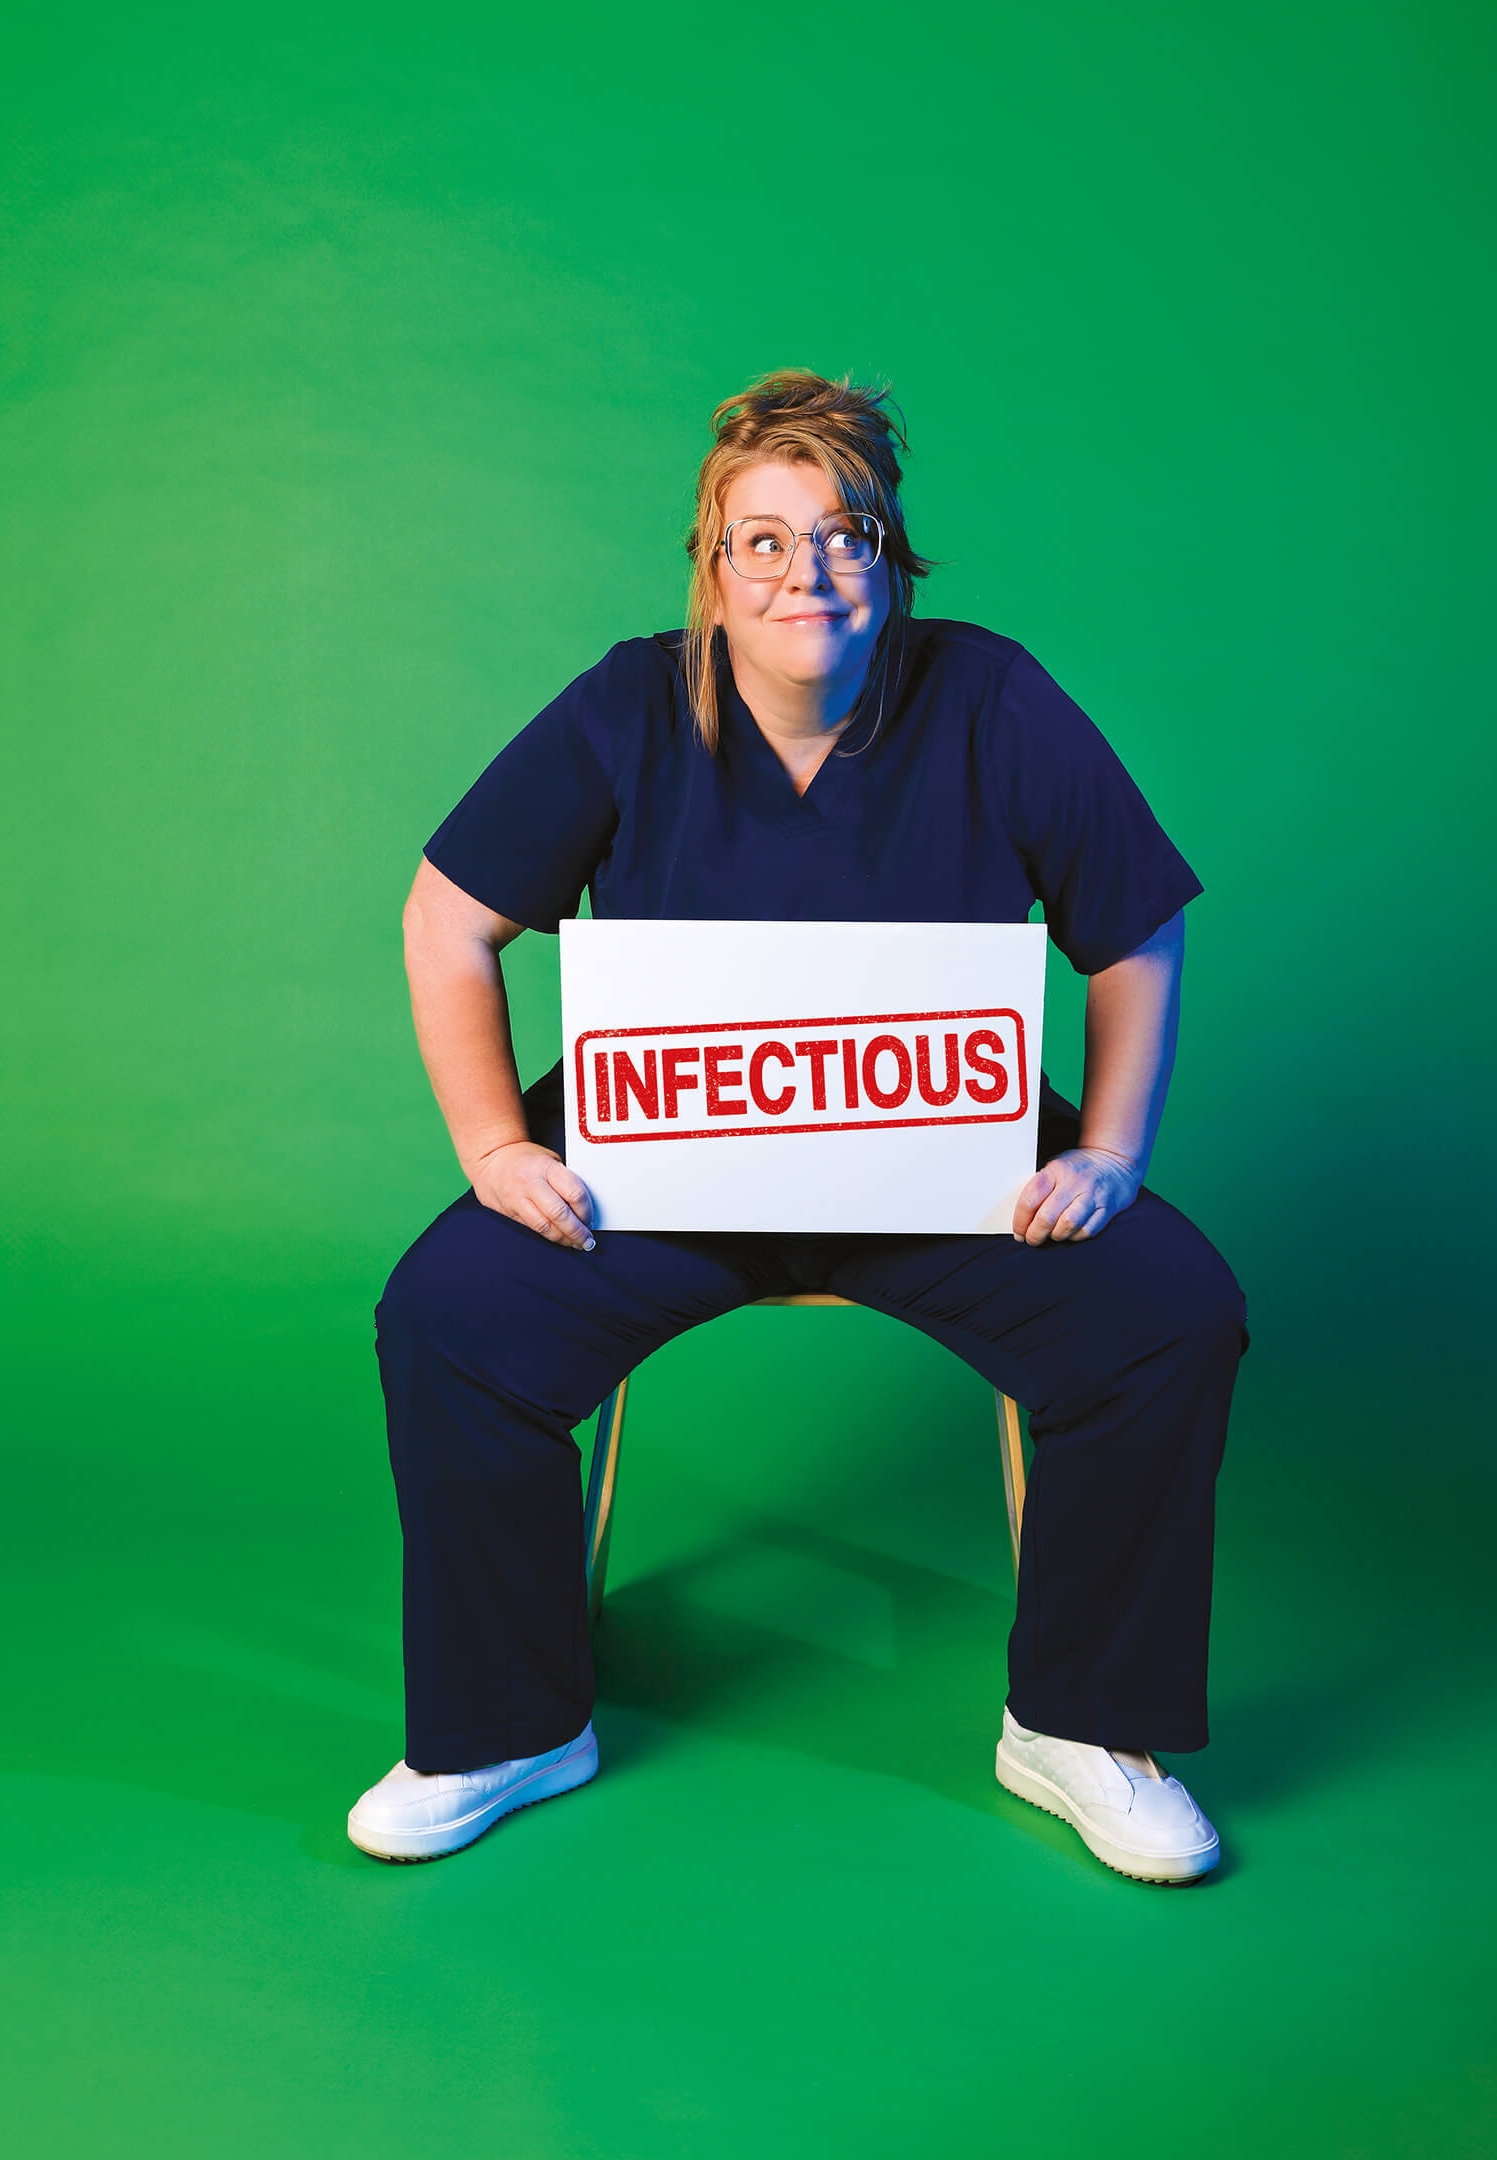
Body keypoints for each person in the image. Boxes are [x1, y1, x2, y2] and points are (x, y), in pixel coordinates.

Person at [348, 372, 1246, 1883]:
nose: (803, 572)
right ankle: (510, 1723)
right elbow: (448, 919)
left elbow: (1135, 929)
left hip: (942, 1164)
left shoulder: (994, 698)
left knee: (1168, 1312)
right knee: (448, 1315)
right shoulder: (626, 707)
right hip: (666, 1165)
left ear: (892, 559)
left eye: (841, 536)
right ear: (710, 566)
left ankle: (1082, 1724)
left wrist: (1109, 1153)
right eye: (760, 541)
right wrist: (499, 1150)